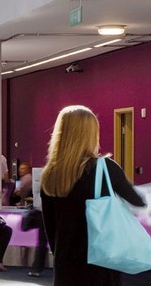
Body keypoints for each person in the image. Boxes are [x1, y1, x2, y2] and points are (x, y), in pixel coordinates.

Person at [41, 105, 146, 285]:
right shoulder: (105, 168)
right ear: (91, 134)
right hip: (100, 266)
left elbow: (50, 229)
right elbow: (137, 201)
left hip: (65, 267)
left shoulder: (50, 175)